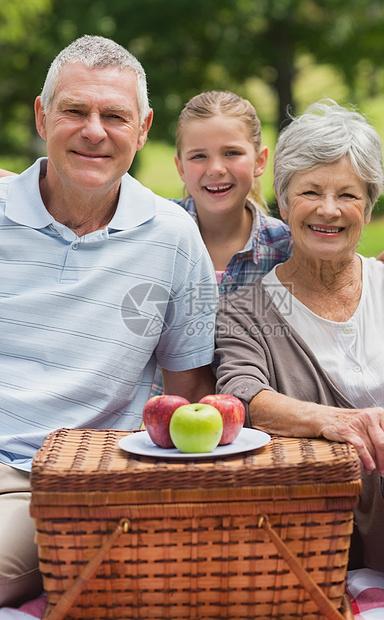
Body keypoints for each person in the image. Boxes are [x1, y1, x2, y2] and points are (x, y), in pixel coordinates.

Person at [0, 35, 218, 607]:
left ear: (143, 130)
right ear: (44, 117)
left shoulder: (173, 237)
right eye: (75, 111)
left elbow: (188, 390)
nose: (94, 130)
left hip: (54, 482)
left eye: (114, 115)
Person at [214, 99, 384, 577]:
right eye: (310, 192)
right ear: (284, 202)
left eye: (348, 194)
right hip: (361, 520)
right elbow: (241, 395)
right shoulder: (245, 311)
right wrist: (335, 420)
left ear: (368, 206)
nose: (329, 210)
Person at [149, 89, 384, 395]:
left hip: (250, 410)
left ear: (260, 160)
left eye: (232, 153)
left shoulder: (288, 243)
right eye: (198, 156)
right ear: (180, 166)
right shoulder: (159, 235)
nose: (216, 168)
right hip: (167, 408)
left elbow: (342, 267)